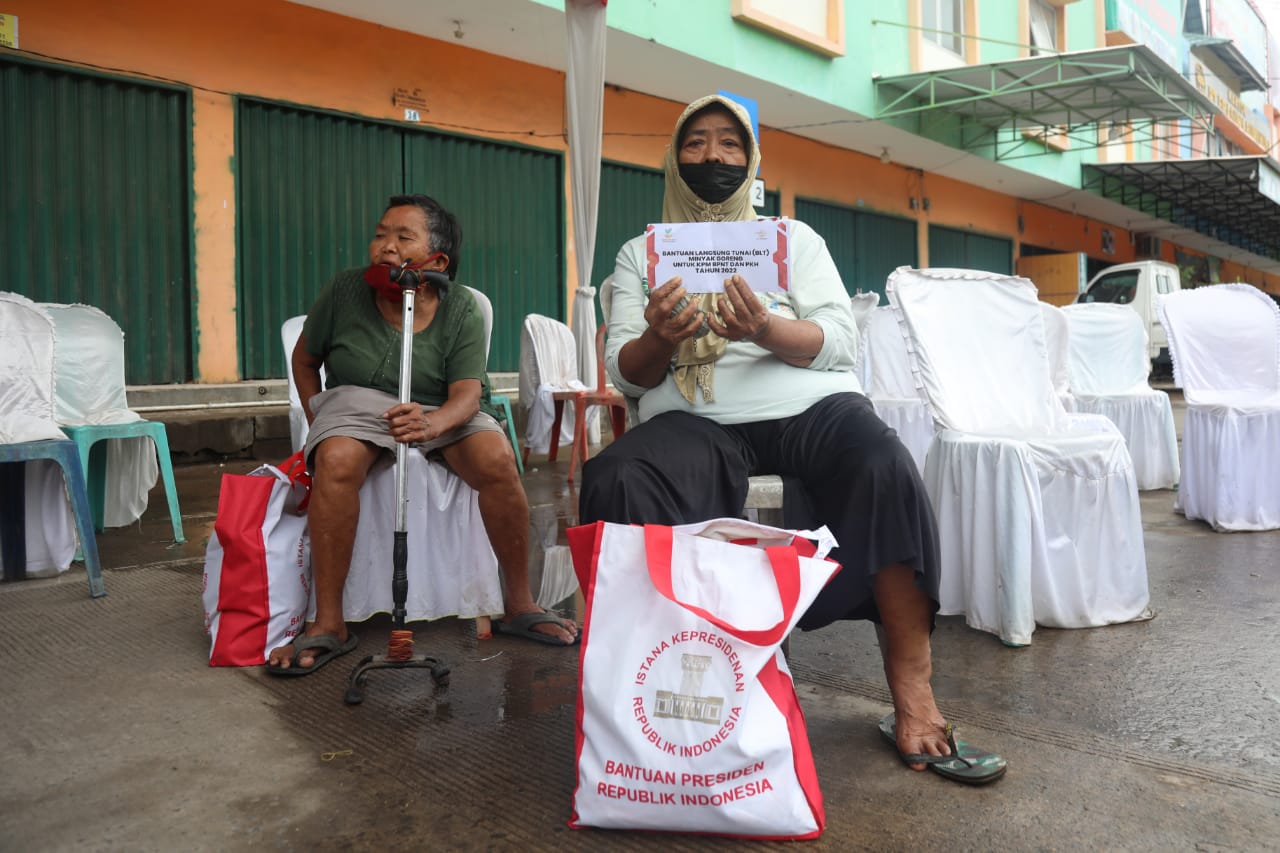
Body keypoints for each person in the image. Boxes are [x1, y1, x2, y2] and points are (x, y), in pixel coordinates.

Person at [579, 95, 1005, 783]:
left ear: (750, 160)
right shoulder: (642, 253)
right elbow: (625, 373)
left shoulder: (792, 240)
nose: (713, 157)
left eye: (728, 144)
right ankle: (669, 697)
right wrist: (661, 335)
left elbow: (839, 341)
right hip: (695, 417)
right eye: (695, 144)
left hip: (807, 403)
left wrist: (765, 329)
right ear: (673, 159)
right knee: (617, 478)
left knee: (882, 463)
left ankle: (915, 693)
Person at [268, 193, 577, 675]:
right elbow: (305, 360)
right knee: (336, 461)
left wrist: (433, 423)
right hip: (357, 403)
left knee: (496, 460)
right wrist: (321, 420)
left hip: (441, 408)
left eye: (402, 237)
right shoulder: (344, 290)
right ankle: (328, 621)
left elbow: (467, 395)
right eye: (380, 234)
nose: (385, 247)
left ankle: (519, 604)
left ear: (437, 259)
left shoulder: (461, 308)